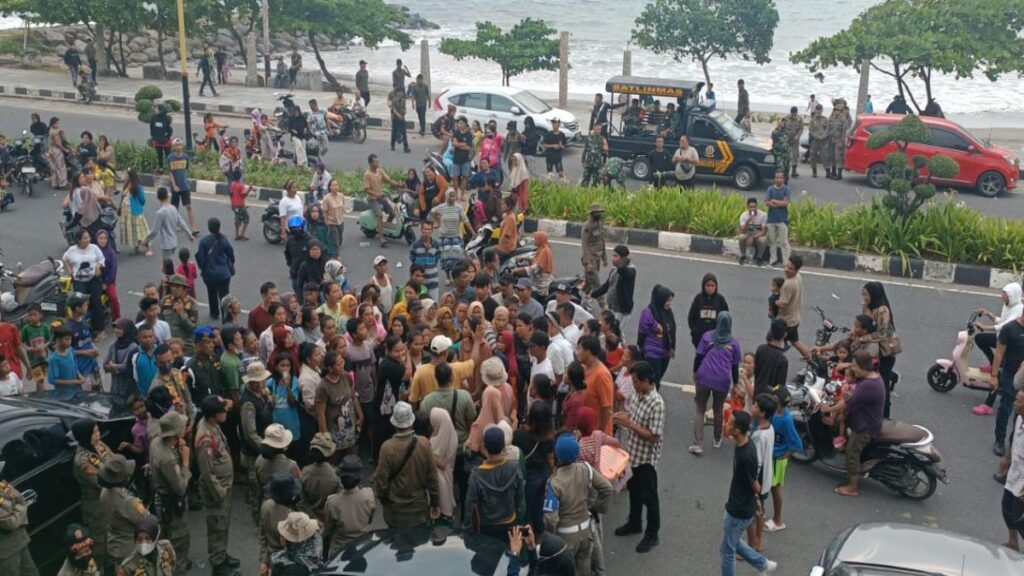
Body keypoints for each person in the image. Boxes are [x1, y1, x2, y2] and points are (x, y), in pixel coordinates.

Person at [613, 361, 663, 553]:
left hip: (646, 459)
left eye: (635, 381)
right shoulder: (637, 395)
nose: (633, 384)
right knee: (634, 490)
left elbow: (654, 436)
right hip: (631, 453)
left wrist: (630, 424)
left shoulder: (656, 404)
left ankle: (652, 534)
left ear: (646, 381)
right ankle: (634, 522)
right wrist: (621, 417)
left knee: (650, 498)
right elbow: (630, 416)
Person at [544, 434, 612, 576]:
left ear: (558, 455)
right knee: (584, 567)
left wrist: (551, 536)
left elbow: (550, 518)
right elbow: (607, 488)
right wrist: (598, 507)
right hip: (586, 531)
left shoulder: (554, 483)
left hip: (566, 536)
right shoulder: (586, 469)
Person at [720, 411, 778, 575]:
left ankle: (763, 564)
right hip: (741, 506)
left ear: (737, 430)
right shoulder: (745, 444)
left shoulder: (746, 456)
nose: (726, 424)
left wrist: (757, 503)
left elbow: (756, 486)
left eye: (730, 423)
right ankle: (763, 565)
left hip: (738, 510)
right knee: (732, 543)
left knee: (727, 551)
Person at [373, 401, 440, 528]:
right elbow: (432, 478)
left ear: (394, 423)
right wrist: (435, 503)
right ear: (412, 421)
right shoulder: (424, 443)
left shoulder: (387, 448)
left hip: (395, 511)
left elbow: (381, 482)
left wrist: (384, 500)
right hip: (419, 508)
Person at [690, 313, 741, 455]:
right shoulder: (734, 343)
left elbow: (698, 357)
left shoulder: (707, 337)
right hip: (722, 381)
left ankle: (697, 443)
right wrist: (735, 383)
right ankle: (717, 439)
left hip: (704, 376)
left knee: (700, 408)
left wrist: (695, 372)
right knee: (718, 409)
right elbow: (735, 367)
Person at [149, 411, 191, 573]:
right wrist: (186, 461)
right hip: (171, 501)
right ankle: (177, 568)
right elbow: (180, 488)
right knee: (178, 540)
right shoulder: (167, 457)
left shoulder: (156, 443)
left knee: (166, 536)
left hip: (161, 497)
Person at [465, 425, 524, 539]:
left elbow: (470, 506)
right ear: (503, 446)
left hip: (487, 527)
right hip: (510, 522)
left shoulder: (477, 475)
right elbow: (520, 496)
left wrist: (469, 531)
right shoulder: (514, 467)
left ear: (485, 446)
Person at [324, 455, 376, 557]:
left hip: (339, 549)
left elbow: (328, 529)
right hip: (362, 545)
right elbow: (370, 519)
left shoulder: (332, 502)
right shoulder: (369, 494)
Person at [998, 390, 1024, 550]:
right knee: (1006, 508)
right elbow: (1014, 438)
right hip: (1015, 472)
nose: (1015, 402)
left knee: (1019, 517)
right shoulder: (1019, 419)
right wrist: (1007, 459)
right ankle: (1013, 542)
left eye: (1019, 401)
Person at [141, 187, 193, 263]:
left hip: (166, 244)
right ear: (168, 196)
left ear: (158, 198)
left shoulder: (160, 213)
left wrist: (145, 241)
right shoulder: (173, 209)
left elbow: (154, 231)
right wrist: (190, 235)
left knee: (167, 267)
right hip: (174, 242)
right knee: (167, 264)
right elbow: (181, 222)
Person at [259, 473, 300, 572]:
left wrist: (264, 560)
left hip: (270, 556)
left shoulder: (266, 506)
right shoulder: (291, 517)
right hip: (287, 561)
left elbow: (263, 535)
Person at [637, 285, 676, 389]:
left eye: (671, 301)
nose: (669, 304)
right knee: (654, 379)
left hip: (665, 352)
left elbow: (672, 329)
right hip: (652, 353)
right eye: (667, 301)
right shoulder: (648, 313)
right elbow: (642, 333)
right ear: (661, 300)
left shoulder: (668, 312)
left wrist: (672, 347)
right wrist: (641, 349)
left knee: (658, 377)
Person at [0, 478, 38, 575]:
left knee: (32, 573)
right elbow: (10, 523)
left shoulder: (3, 486)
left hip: (19, 541)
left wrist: (9, 490)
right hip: (6, 552)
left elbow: (21, 500)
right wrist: (21, 509)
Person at [591, 245, 636, 324]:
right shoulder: (614, 270)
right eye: (612, 255)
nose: (612, 258)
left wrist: (626, 260)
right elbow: (607, 286)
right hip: (612, 307)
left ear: (623, 258)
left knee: (615, 332)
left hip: (622, 310)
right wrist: (592, 294)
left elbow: (622, 270)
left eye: (615, 256)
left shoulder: (630, 271)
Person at [777, 255, 811, 359]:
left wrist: (775, 302)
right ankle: (812, 359)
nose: (786, 270)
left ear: (797, 270)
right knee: (796, 342)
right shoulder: (798, 277)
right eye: (787, 266)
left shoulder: (788, 284)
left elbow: (782, 304)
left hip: (786, 321)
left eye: (790, 268)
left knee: (774, 342)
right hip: (795, 318)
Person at [65, 293, 101, 391]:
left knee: (98, 391)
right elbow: (67, 351)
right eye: (85, 305)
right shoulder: (68, 328)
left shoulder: (84, 321)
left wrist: (94, 348)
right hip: (81, 369)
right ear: (77, 308)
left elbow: (88, 339)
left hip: (92, 365)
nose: (87, 306)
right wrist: (87, 352)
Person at [687, 273, 729, 349]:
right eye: (708, 285)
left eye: (712, 286)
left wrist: (721, 335)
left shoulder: (720, 300)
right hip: (700, 337)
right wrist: (694, 332)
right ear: (703, 286)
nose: (710, 288)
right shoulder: (698, 298)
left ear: (716, 286)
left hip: (715, 338)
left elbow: (726, 318)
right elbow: (691, 317)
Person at [755, 319, 790, 396]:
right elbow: (780, 387)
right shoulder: (782, 360)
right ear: (785, 334)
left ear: (770, 331)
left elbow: (756, 372)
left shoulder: (761, 349)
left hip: (757, 394)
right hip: (770, 400)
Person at [763, 172, 791, 267]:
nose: (778, 179)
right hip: (771, 220)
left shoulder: (786, 189)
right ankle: (773, 260)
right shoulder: (770, 189)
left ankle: (786, 262)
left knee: (784, 242)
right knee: (772, 241)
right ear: (774, 178)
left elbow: (786, 203)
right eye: (777, 177)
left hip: (782, 219)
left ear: (783, 179)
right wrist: (780, 203)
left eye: (780, 177)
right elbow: (767, 203)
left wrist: (774, 201)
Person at [581, 203, 607, 295]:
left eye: (600, 212)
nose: (599, 214)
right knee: (596, 282)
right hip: (590, 257)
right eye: (597, 212)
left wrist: (604, 258)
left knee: (590, 280)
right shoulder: (587, 226)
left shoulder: (599, 224)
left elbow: (602, 241)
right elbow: (584, 244)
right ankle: (604, 306)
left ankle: (583, 298)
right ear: (592, 213)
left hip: (598, 257)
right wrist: (587, 262)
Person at [827, 98, 852, 180]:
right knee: (832, 156)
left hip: (839, 139)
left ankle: (839, 174)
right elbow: (829, 125)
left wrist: (842, 141)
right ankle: (833, 171)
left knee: (839, 157)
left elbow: (845, 129)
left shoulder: (845, 114)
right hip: (831, 139)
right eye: (838, 105)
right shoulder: (833, 114)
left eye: (841, 104)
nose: (839, 106)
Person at [738, 198, 768, 265]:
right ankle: (743, 256)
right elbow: (742, 231)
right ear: (747, 207)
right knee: (741, 237)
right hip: (748, 234)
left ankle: (759, 258)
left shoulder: (763, 215)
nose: (753, 209)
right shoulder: (743, 215)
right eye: (751, 207)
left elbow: (764, 231)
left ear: (757, 206)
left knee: (762, 240)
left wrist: (753, 237)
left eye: (754, 207)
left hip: (758, 234)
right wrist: (748, 221)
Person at [580, 124, 608, 188]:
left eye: (600, 129)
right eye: (598, 129)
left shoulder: (602, 139)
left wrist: (601, 151)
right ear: (594, 129)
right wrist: (583, 161)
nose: (599, 131)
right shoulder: (588, 138)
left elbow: (606, 150)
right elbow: (585, 150)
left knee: (596, 181)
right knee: (585, 180)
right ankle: (583, 194)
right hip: (589, 163)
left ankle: (593, 194)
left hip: (597, 164)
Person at [807, 103, 829, 178]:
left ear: (822, 110)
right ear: (816, 110)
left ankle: (827, 172)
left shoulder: (825, 119)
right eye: (817, 110)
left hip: (823, 141)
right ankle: (814, 171)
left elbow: (827, 129)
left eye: (820, 110)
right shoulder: (812, 120)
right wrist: (816, 136)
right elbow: (811, 130)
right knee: (813, 156)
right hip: (815, 141)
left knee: (825, 156)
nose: (819, 111)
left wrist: (823, 136)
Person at [388, 85, 410, 153]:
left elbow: (404, 108)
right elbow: (393, 109)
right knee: (394, 132)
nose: (401, 93)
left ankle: (406, 148)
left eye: (402, 92)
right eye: (399, 92)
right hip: (395, 118)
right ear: (397, 93)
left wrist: (405, 111)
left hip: (402, 118)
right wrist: (398, 115)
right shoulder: (394, 100)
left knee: (404, 133)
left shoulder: (403, 100)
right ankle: (392, 145)